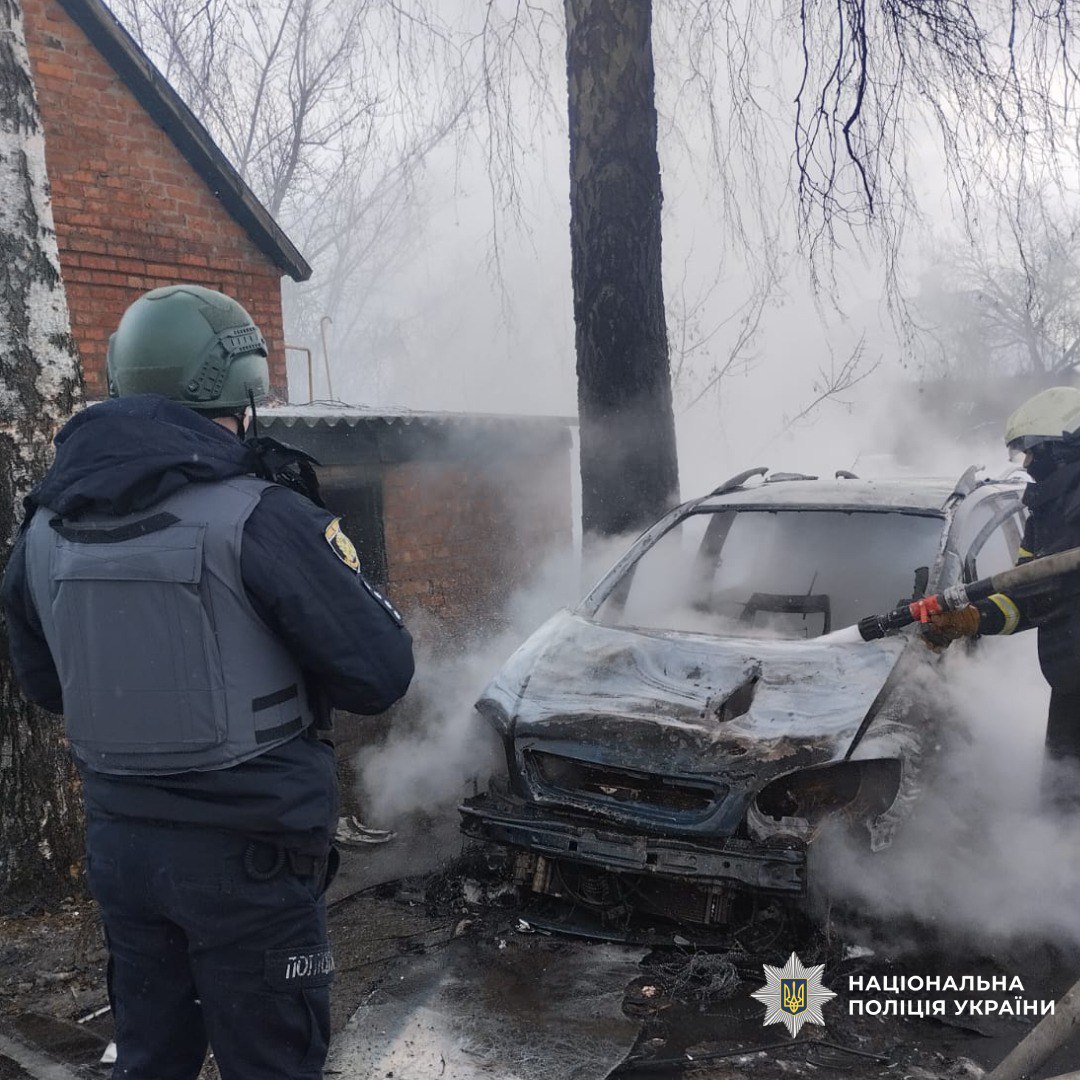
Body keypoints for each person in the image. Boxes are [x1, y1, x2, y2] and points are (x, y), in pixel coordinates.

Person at [1, 284, 415, 1080]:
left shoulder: (43, 531)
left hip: (123, 852)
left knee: (152, 1058)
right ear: (238, 397)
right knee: (274, 1061)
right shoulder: (262, 517)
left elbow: (49, 686)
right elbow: (380, 673)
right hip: (250, 861)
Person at [926, 385, 1080, 802]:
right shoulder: (1045, 514)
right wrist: (972, 618)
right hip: (1070, 682)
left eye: (1032, 451)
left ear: (1061, 450)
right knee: (1061, 805)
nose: (1027, 463)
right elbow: (1028, 591)